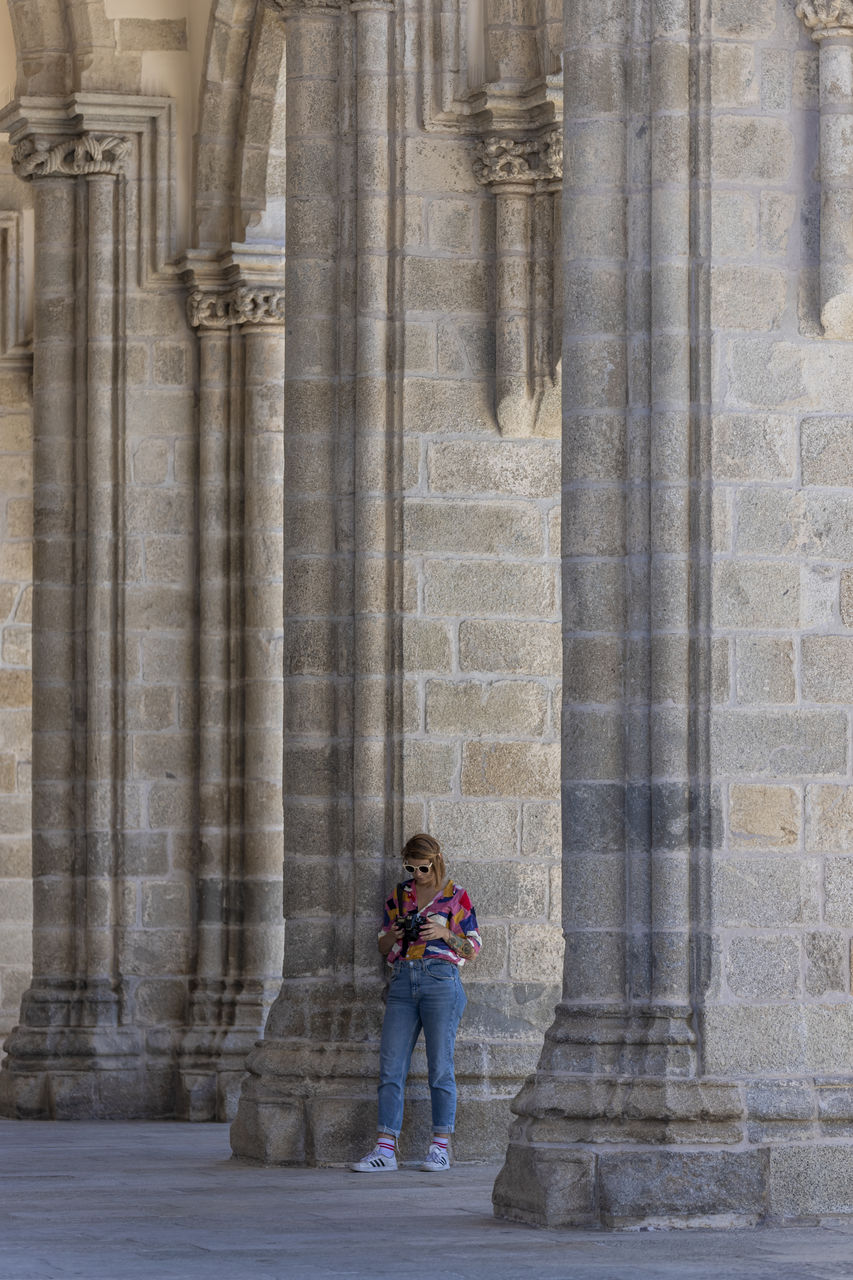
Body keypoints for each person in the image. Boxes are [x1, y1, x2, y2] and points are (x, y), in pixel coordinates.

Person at [351, 833, 481, 1173]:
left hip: (441, 980)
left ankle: (440, 1148)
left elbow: (473, 949)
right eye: (409, 867)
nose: (416, 874)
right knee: (391, 1066)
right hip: (402, 979)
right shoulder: (399, 895)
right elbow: (382, 947)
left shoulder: (457, 896)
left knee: (440, 1068)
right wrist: (394, 934)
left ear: (435, 861)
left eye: (421, 867)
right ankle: (385, 1149)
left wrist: (445, 935)